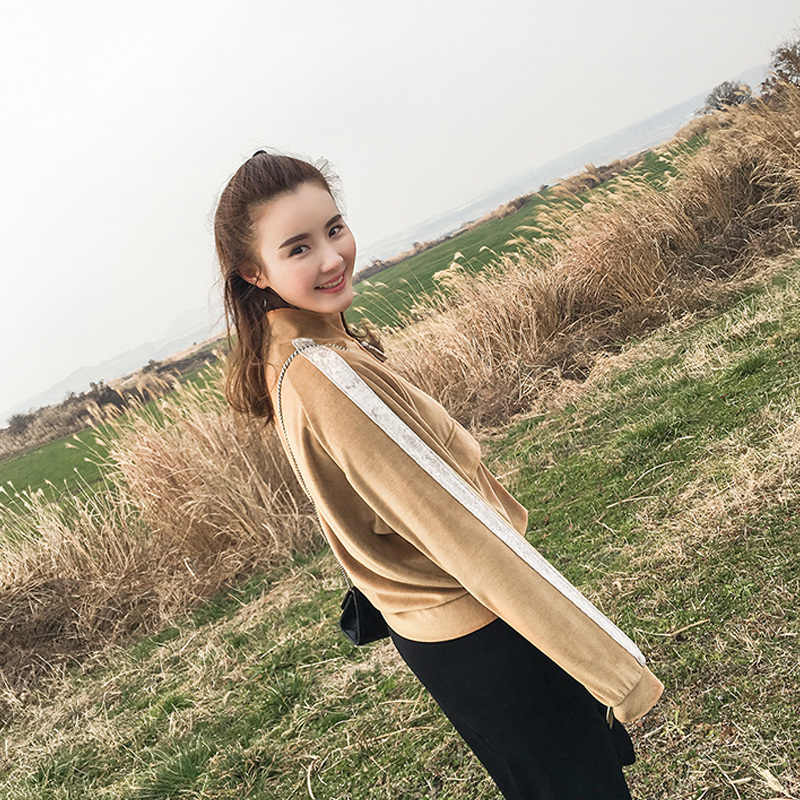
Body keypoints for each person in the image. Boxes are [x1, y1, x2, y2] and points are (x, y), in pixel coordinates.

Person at [214, 150, 664, 800]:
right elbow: (456, 528)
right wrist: (613, 668)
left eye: (334, 229)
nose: (332, 257)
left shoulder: (295, 353)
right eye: (299, 248)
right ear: (255, 271)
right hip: (487, 628)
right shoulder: (327, 375)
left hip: (450, 636)